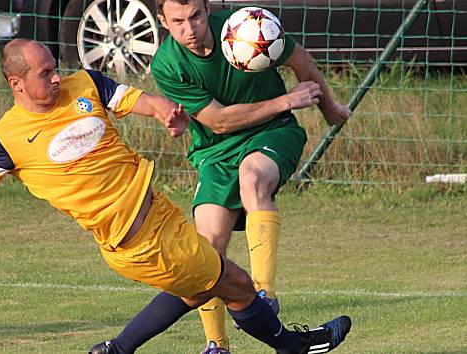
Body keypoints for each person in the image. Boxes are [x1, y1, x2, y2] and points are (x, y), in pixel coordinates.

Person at [0, 39, 351, 354]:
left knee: (198, 287)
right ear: (16, 83)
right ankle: (295, 347)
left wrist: (164, 111)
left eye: (54, 68)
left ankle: (117, 350)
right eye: (43, 74)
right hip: (136, 240)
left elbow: (136, 99)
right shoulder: (5, 138)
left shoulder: (85, 84)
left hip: (159, 214)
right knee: (239, 285)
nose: (55, 78)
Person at [150, 0, 352, 352]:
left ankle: (264, 293)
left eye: (196, 16)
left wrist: (330, 107)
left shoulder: (247, 25)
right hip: (215, 150)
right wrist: (286, 100)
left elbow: (299, 59)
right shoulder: (167, 63)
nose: (190, 28)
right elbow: (219, 120)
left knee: (252, 177)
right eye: (178, 21)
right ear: (162, 21)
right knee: (207, 246)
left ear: (207, 8)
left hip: (272, 132)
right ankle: (216, 345)